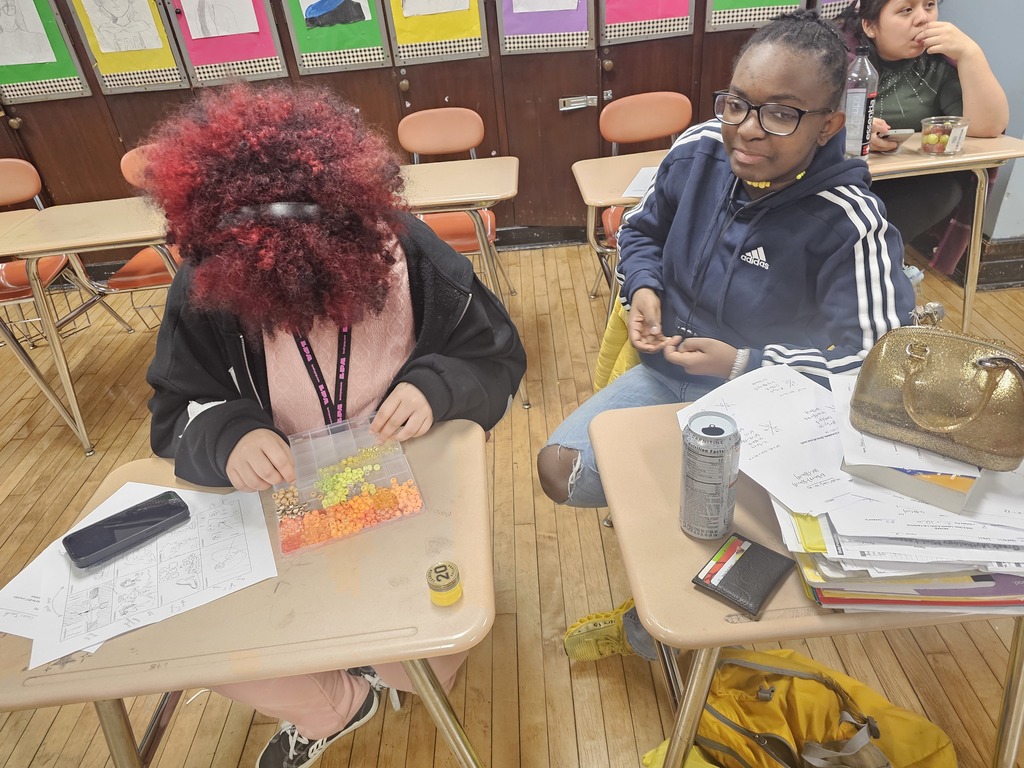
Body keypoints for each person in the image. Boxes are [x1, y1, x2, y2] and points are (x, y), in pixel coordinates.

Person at [143, 83, 526, 768]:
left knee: (429, 665)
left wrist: (436, 387)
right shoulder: (206, 279)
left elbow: (494, 358)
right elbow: (175, 412)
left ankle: (376, 673)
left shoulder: (410, 254)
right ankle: (339, 706)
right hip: (280, 500)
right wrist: (229, 435)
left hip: (406, 482)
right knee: (205, 648)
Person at [536, 10, 914, 661]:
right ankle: (688, 557)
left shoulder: (851, 221)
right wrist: (645, 288)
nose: (746, 130)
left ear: (829, 122)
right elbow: (640, 228)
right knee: (561, 471)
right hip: (670, 376)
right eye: (739, 102)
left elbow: (879, 362)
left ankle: (686, 604)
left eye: (782, 113)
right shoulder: (698, 151)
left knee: (698, 578)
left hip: (777, 405)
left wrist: (745, 361)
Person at [837, 0, 1008, 272]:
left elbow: (988, 128)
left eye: (929, 5)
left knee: (946, 188)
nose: (922, 19)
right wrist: (848, 130)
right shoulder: (834, 55)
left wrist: (971, 54)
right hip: (835, 179)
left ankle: (867, 268)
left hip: (899, 182)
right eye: (906, 10)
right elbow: (802, 117)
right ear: (870, 26)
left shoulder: (937, 65)